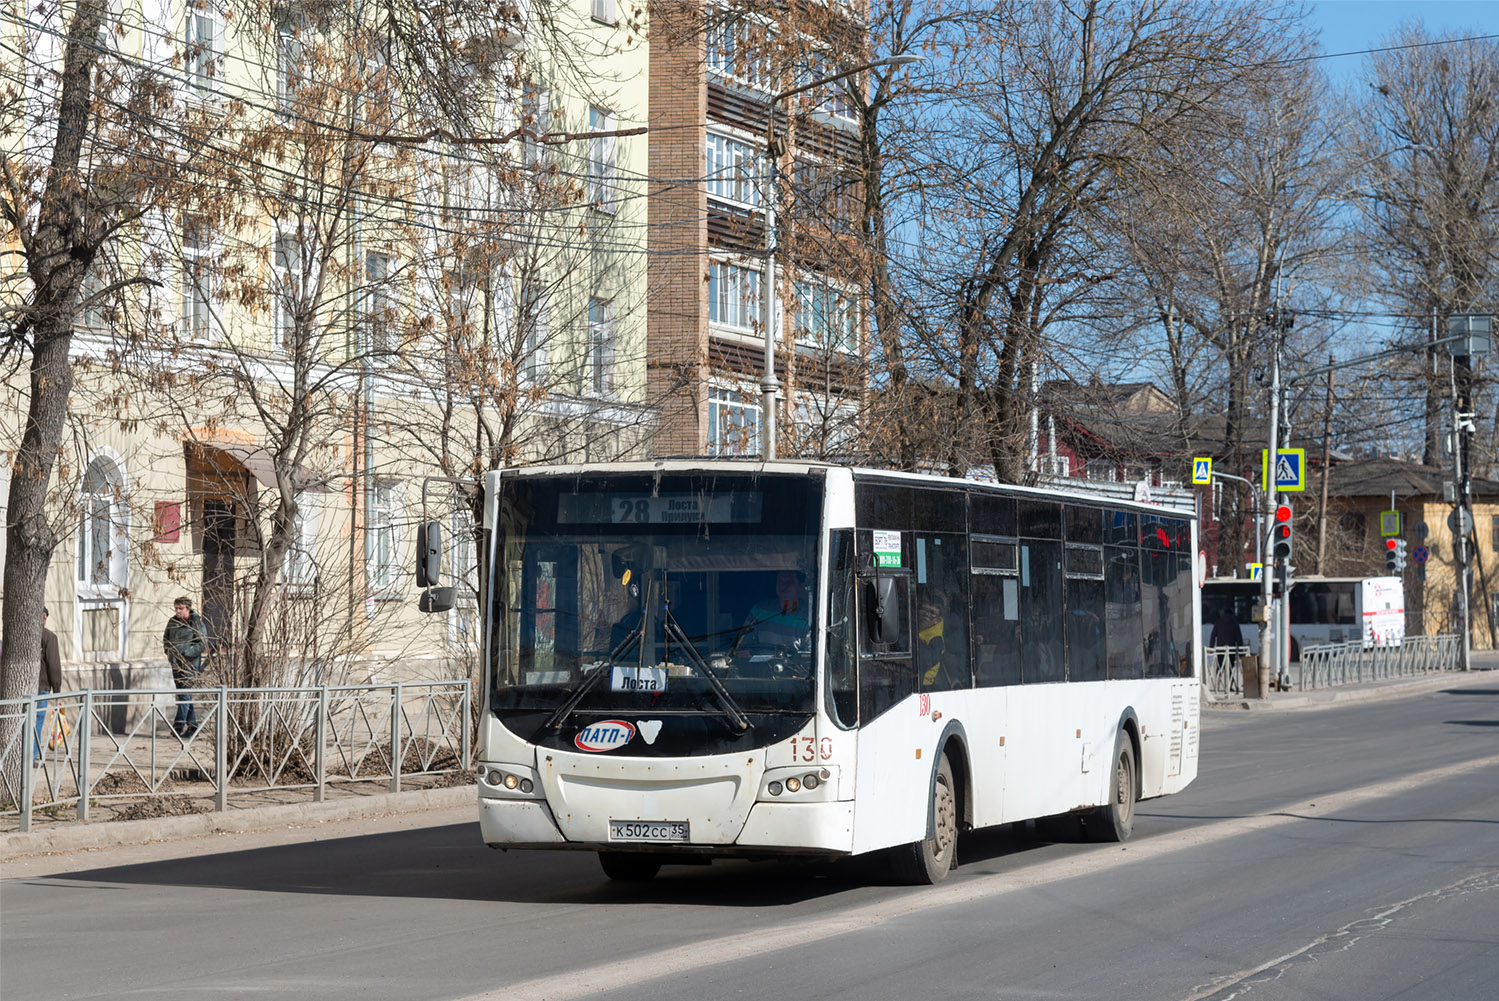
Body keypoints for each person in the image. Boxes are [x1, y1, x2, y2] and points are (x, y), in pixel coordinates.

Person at [163, 596, 207, 737]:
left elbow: (202, 643)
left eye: (180, 608)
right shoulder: (172, 622)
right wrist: (170, 654)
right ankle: (193, 726)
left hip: (190, 664)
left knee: (185, 694)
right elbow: (166, 639)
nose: (177, 611)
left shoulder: (196, 622)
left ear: (188, 609)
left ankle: (178, 725)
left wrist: (187, 654)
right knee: (184, 695)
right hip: (176, 664)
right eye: (176, 608)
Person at [739, 570, 809, 654]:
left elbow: (809, 656)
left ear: (801, 586)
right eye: (780, 581)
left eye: (788, 582)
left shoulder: (809, 616)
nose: (783, 586)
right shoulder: (759, 610)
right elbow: (743, 647)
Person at [35, 607, 62, 763]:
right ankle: (31, 756)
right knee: (37, 722)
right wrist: (57, 688)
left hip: (26, 689)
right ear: (44, 617)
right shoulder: (49, 637)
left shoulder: (22, 635)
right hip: (42, 687)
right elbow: (54, 666)